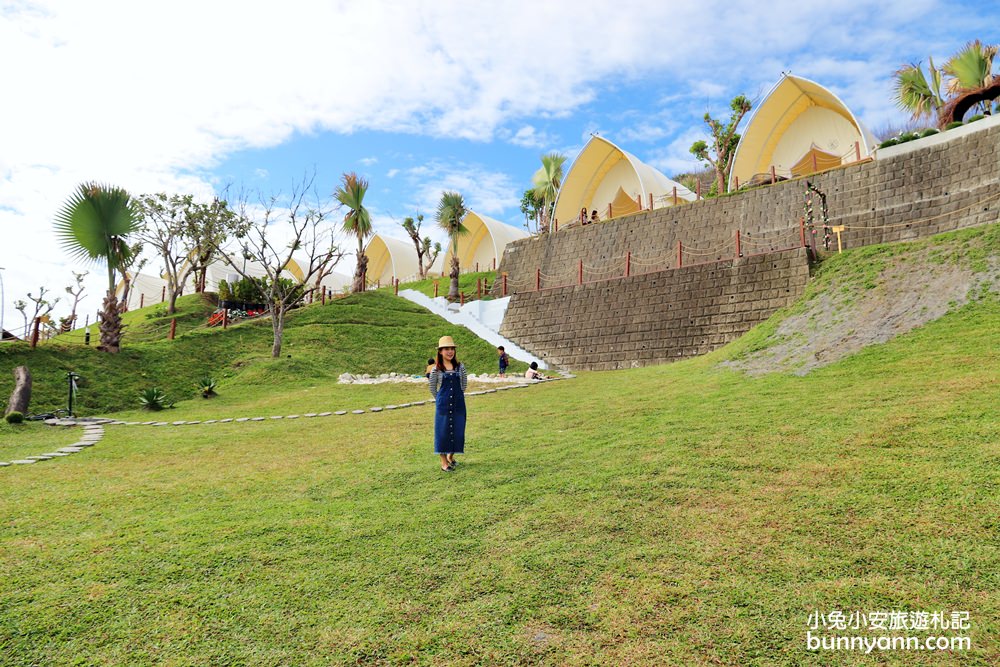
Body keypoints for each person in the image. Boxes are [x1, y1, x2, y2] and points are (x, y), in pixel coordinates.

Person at [428, 335, 468, 472]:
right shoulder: (436, 369)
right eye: (446, 349)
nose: (450, 351)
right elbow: (432, 388)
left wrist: (457, 397)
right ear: (440, 351)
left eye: (452, 349)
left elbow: (464, 385)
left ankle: (451, 456)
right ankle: (444, 462)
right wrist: (440, 399)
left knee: (458, 431)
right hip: (443, 405)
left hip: (458, 404)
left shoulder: (460, 367)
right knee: (443, 432)